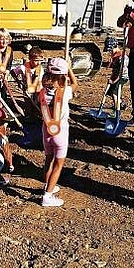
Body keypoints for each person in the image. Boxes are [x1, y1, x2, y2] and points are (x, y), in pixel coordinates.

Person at [39, 57, 78, 207]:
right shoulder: (65, 91)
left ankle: (48, 186)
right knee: (58, 164)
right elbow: (75, 85)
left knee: (48, 159)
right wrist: (69, 69)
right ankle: (47, 196)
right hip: (60, 132)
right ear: (63, 75)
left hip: (46, 130)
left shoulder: (42, 92)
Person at [105, 46, 129, 115]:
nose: (110, 52)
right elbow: (108, 68)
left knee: (114, 93)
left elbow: (121, 72)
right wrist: (110, 61)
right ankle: (120, 104)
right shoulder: (115, 56)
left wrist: (113, 81)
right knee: (110, 91)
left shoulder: (122, 56)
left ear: (115, 47)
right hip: (116, 77)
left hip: (122, 77)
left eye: (110, 50)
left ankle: (116, 112)